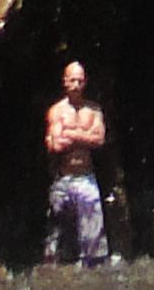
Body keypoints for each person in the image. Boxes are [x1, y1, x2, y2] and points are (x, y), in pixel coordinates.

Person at [42, 60, 109, 265]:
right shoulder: (56, 111)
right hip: (63, 180)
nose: (77, 85)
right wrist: (84, 136)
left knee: (94, 239)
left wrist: (71, 134)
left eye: (80, 80)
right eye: (73, 80)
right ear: (65, 82)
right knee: (58, 235)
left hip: (86, 179)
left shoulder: (94, 110)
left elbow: (99, 139)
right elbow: (55, 145)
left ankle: (92, 270)